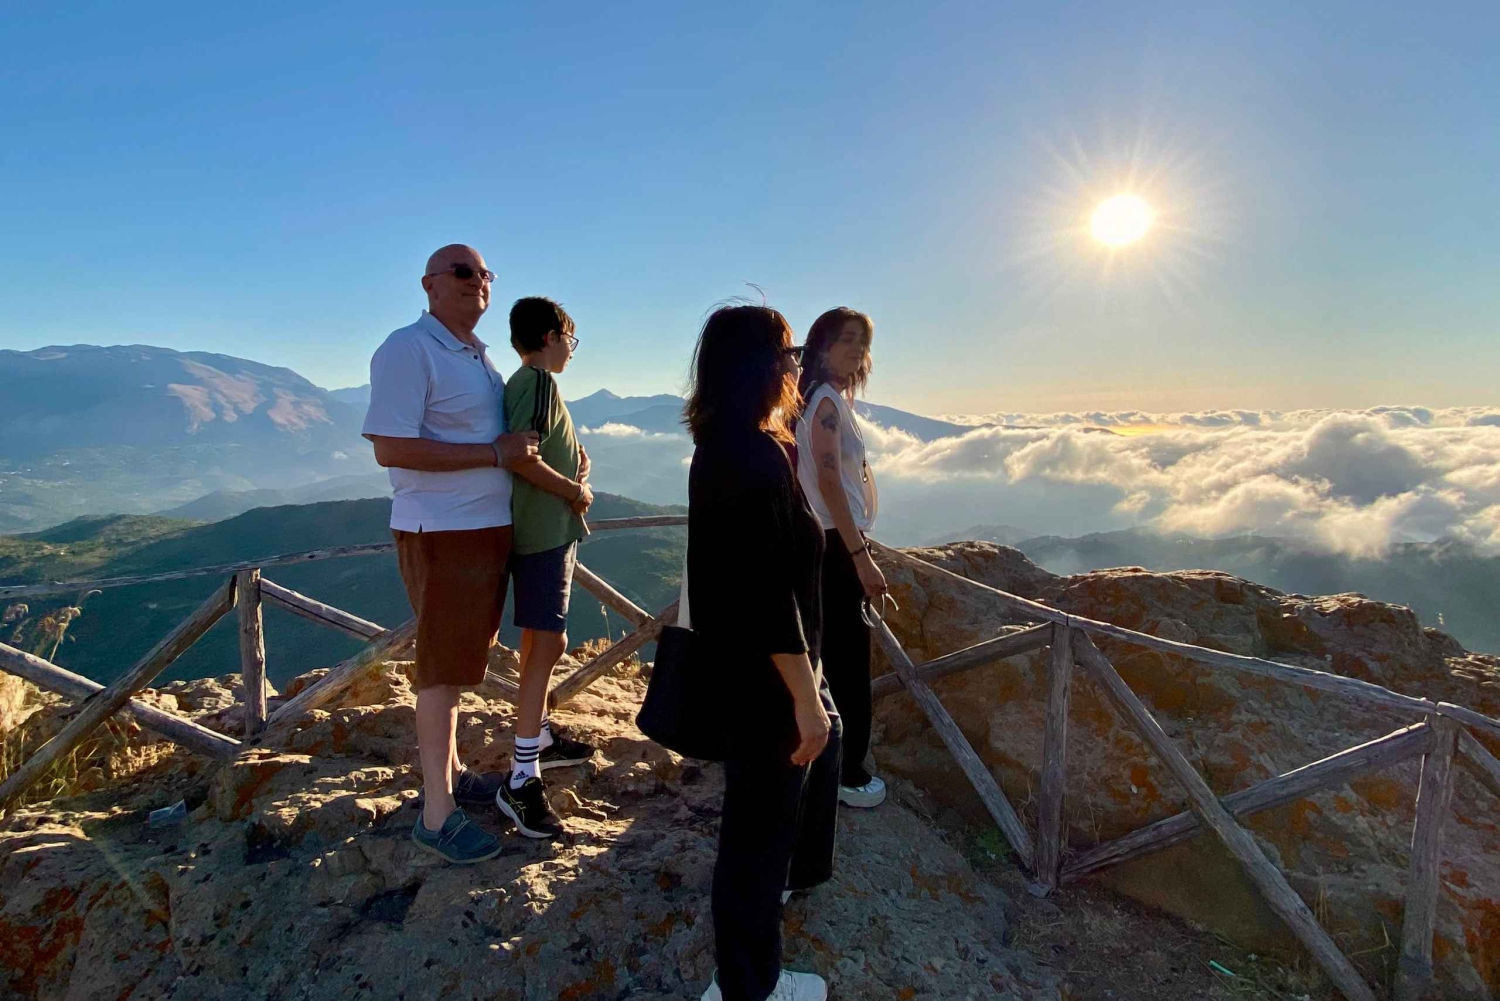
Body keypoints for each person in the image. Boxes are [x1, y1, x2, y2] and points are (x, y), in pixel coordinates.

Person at [362, 244, 540, 864]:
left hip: (481, 529)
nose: (477, 282)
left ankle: (455, 775)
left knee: (459, 662)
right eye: (463, 272)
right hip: (442, 531)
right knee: (440, 671)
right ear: (429, 284)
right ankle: (436, 817)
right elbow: (390, 448)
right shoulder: (409, 348)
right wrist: (494, 454)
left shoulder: (476, 355)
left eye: (485, 273)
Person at [685, 304, 841, 1001]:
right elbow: (767, 595)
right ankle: (750, 986)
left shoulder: (727, 445)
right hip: (766, 685)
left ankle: (744, 975)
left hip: (748, 674)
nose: (795, 366)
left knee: (754, 833)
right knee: (756, 840)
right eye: (787, 353)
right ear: (758, 365)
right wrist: (808, 699)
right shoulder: (749, 458)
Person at [495, 296, 597, 839]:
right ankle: (522, 776)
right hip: (544, 533)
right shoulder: (537, 383)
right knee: (549, 643)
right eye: (570, 340)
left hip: (542, 531)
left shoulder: (532, 384)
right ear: (551, 337)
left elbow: (540, 448)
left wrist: (575, 460)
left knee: (539, 642)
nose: (572, 351)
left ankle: (539, 737)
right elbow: (521, 456)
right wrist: (573, 492)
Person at [795, 307, 888, 810]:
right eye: (847, 339)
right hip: (836, 544)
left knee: (827, 654)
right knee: (849, 661)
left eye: (863, 342)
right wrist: (859, 555)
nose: (857, 350)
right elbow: (829, 479)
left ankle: (824, 762)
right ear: (822, 344)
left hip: (824, 543)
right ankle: (848, 772)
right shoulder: (825, 402)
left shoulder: (813, 397)